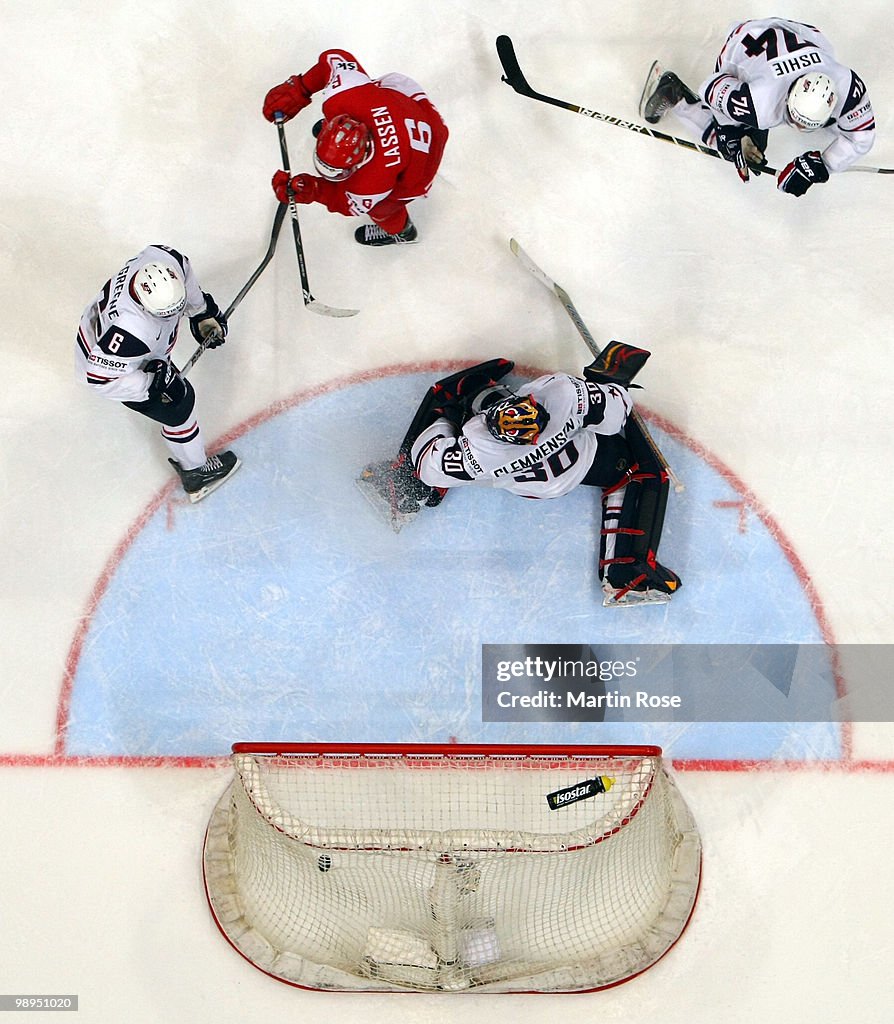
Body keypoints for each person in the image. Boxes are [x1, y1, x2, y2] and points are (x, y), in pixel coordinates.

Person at [404, 358, 681, 606]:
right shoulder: (562, 394)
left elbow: (426, 466)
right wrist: (609, 385)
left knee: (465, 460)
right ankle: (624, 570)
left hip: (534, 487)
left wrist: (445, 420)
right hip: (580, 463)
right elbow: (617, 410)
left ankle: (479, 398)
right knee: (635, 473)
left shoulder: (478, 453)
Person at [75, 244, 240, 502]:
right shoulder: (132, 332)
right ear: (145, 305)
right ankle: (196, 473)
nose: (175, 316)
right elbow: (96, 378)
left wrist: (200, 312)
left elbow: (184, 269)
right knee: (179, 405)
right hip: (113, 364)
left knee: (176, 395)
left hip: (116, 340)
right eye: (168, 314)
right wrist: (150, 383)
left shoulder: (164, 259)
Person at [639, 17, 875, 196]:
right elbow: (711, 88)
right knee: (729, 143)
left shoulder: (845, 83)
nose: (797, 128)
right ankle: (675, 96)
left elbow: (862, 137)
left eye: (807, 125)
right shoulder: (759, 103)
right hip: (741, 44)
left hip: (795, 32)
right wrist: (731, 133)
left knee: (845, 116)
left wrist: (823, 165)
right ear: (788, 97)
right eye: (794, 120)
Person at [262, 48, 449, 246]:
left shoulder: (372, 182)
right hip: (404, 105)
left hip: (426, 149)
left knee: (383, 209)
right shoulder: (344, 97)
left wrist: (313, 189)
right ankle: (343, 134)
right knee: (373, 92)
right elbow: (334, 59)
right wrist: (299, 88)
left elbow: (345, 202)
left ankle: (404, 233)